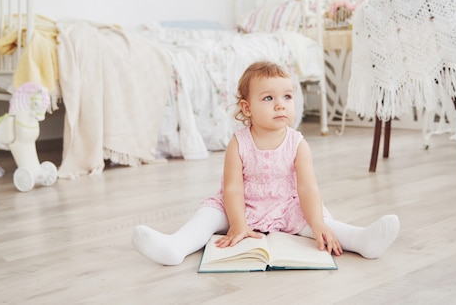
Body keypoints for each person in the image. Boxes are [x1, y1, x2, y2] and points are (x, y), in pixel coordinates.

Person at [132, 61, 400, 266]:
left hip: (285, 205)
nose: (280, 105)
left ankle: (362, 240)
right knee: (208, 215)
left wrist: (317, 222)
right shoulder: (238, 143)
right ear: (247, 108)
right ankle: (176, 246)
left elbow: (307, 189)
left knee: (320, 223)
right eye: (268, 98)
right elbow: (233, 189)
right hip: (241, 205)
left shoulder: (298, 144)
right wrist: (237, 223)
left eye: (287, 97)